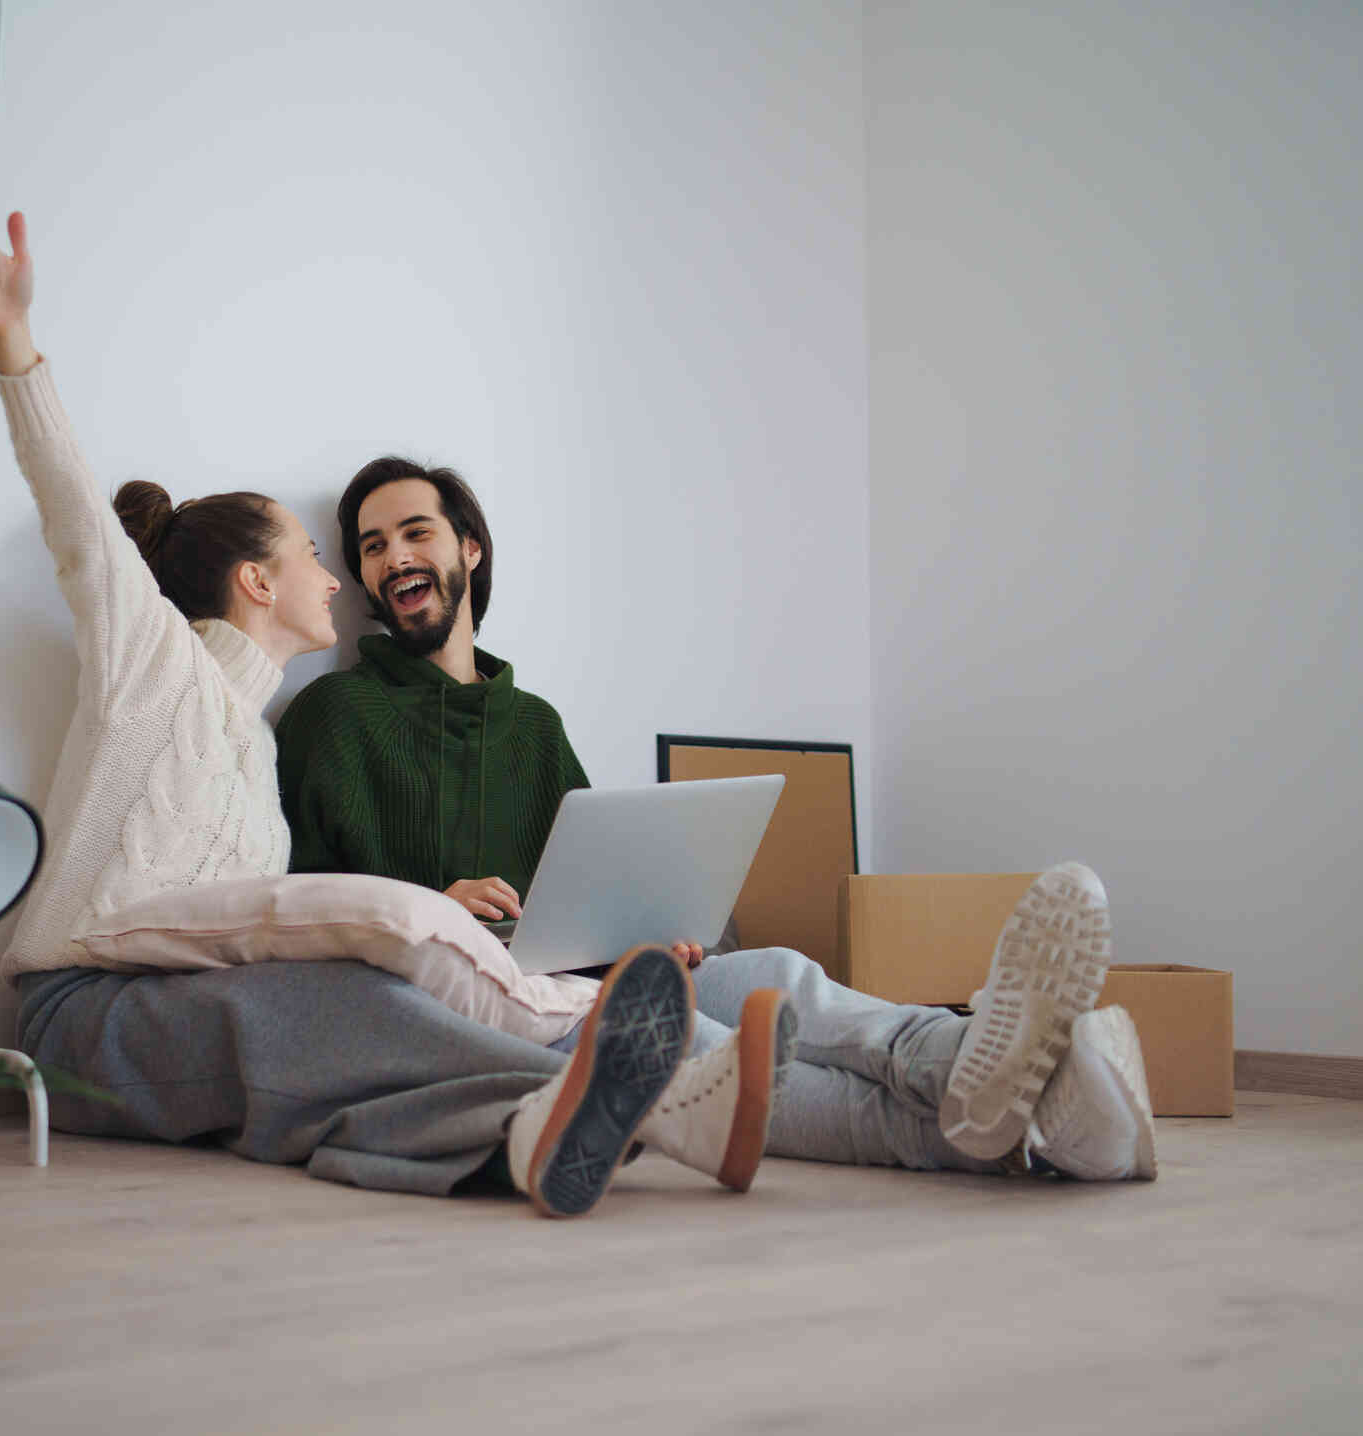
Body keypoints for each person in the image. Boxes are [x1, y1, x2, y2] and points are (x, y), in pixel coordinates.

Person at [0, 188, 795, 1218]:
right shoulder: (154, 666)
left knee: (343, 1022)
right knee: (316, 1008)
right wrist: (14, 340)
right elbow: (74, 514)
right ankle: (627, 1099)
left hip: (197, 1006)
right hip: (84, 1016)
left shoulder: (257, 748)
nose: (339, 580)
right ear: (253, 580)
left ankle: (529, 1134)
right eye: (310, 557)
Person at [274, 458, 1158, 1182]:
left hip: (592, 977)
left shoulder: (532, 725)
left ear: (469, 548)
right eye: (371, 547)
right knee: (716, 1053)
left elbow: (586, 882)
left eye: (413, 532)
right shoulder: (333, 716)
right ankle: (1043, 1110)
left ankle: (978, 1056)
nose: (391, 560)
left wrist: (648, 933)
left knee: (779, 972)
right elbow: (304, 909)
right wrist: (435, 904)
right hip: (499, 1005)